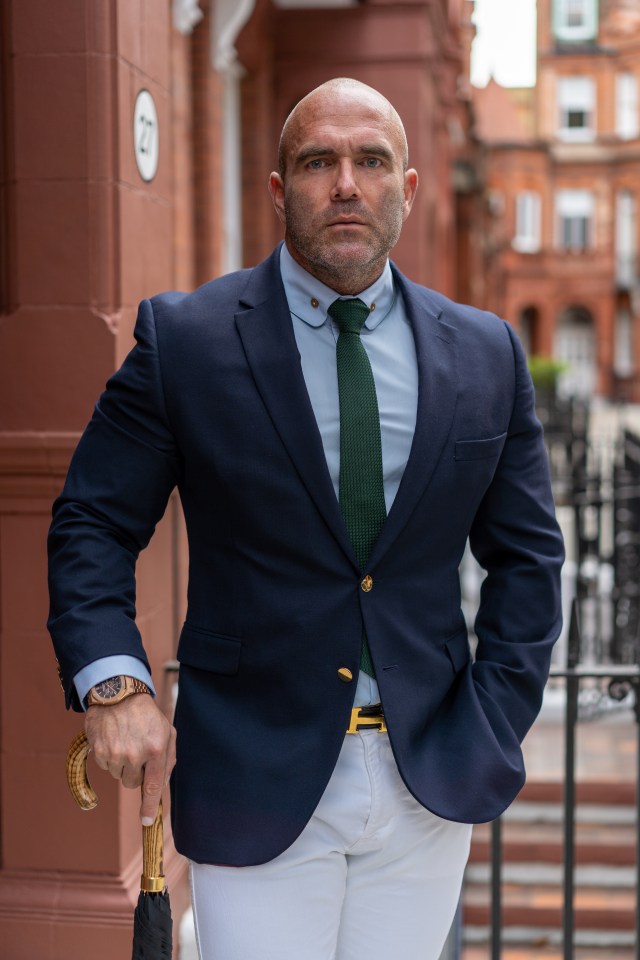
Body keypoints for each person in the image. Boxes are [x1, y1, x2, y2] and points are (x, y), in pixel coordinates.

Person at [48, 78, 564, 959]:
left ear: (408, 188)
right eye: (320, 161)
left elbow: (528, 558)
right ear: (282, 191)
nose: (347, 184)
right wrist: (114, 681)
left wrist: (496, 714)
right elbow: (92, 520)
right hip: (254, 774)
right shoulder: (188, 341)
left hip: (428, 776)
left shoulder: (484, 351)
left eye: (371, 161)